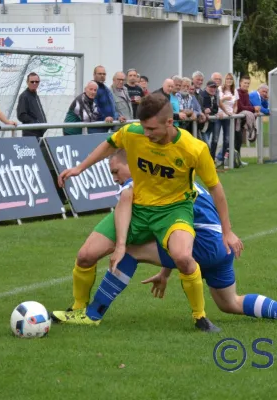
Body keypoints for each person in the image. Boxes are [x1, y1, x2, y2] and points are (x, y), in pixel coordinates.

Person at [51, 150, 277, 326]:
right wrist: (165, 272)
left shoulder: (145, 181)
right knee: (231, 303)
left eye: (116, 171)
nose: (115, 177)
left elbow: (160, 221)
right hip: (220, 246)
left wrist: (122, 244)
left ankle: (93, 315)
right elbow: (175, 231)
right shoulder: (180, 181)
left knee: (131, 251)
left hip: (202, 245)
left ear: (134, 165)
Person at [56, 93, 244, 332]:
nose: (146, 134)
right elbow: (110, 144)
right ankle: (79, 310)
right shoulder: (133, 133)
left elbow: (217, 189)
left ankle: (200, 317)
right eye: (144, 127)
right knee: (85, 255)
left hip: (174, 211)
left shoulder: (194, 149)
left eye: (152, 129)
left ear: (169, 122)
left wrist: (227, 232)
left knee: (184, 258)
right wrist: (79, 168)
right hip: (139, 209)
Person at [16, 72, 47, 139]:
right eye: (32, 82)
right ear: (27, 82)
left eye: (36, 81)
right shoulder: (24, 96)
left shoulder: (35, 96)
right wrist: (35, 123)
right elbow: (21, 115)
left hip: (39, 132)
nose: (34, 83)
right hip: (30, 133)